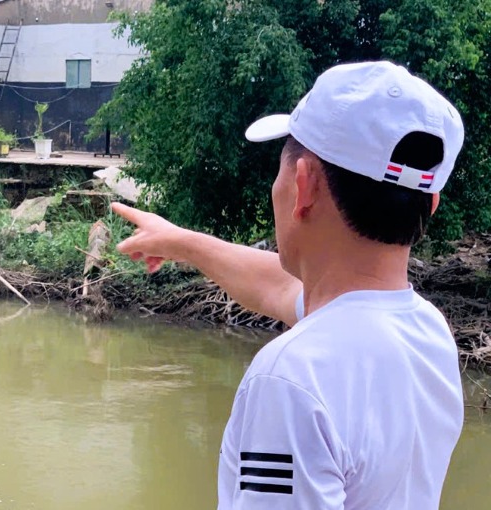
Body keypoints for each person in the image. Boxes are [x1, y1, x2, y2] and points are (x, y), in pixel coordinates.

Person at [112, 61, 465, 509]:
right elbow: (282, 289)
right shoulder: (428, 333)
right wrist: (181, 241)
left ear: (303, 185)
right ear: (430, 202)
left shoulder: (292, 377)